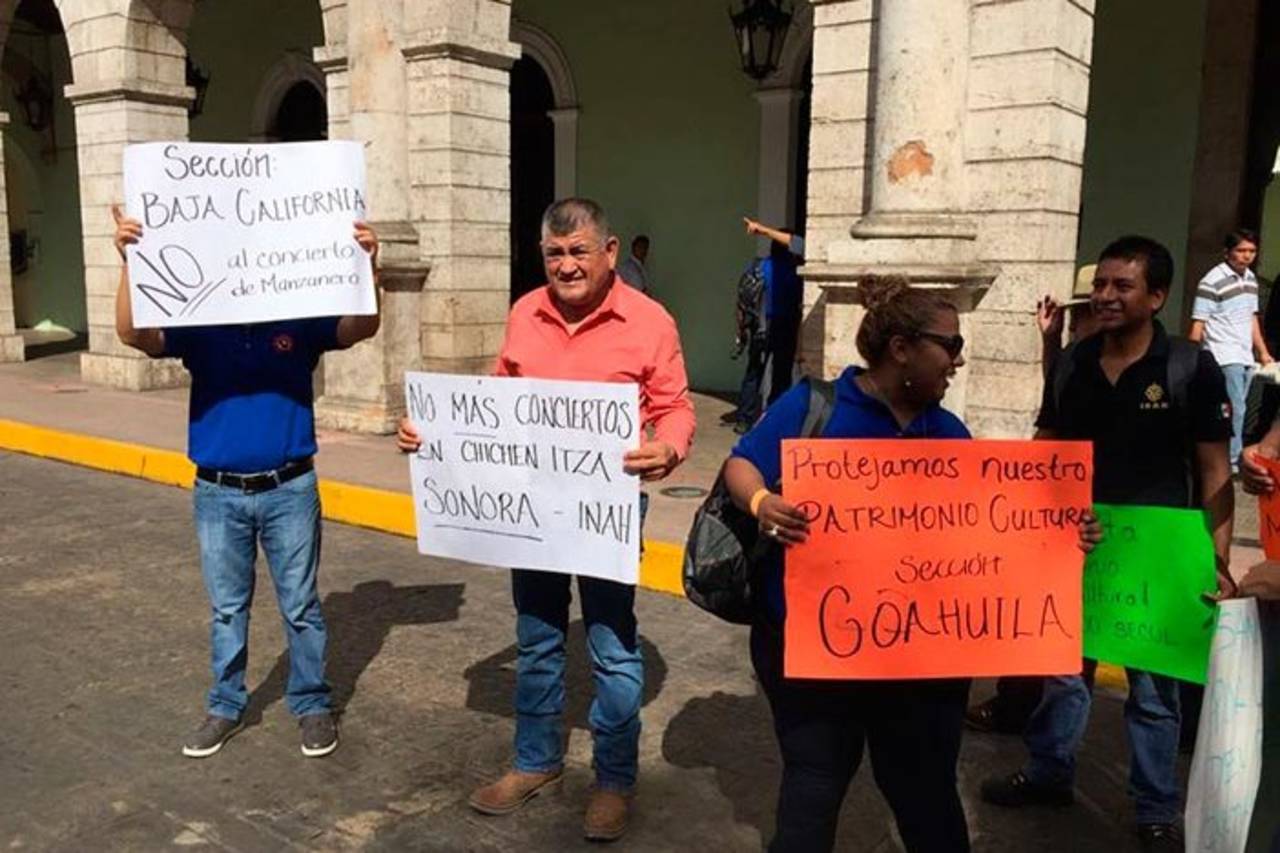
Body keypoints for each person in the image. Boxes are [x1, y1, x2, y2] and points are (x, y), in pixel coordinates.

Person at [722, 276, 1102, 852]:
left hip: (921, 662)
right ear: (901, 348)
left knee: (927, 795)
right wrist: (761, 503)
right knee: (814, 788)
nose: (958, 359)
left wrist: (1062, 532)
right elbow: (740, 464)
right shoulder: (815, 405)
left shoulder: (949, 433)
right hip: (813, 654)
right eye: (950, 345)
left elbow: (991, 535)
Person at [397, 198, 695, 842]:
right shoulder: (524, 313)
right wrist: (435, 433)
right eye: (554, 254)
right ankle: (535, 763)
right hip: (531, 509)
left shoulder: (650, 321)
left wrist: (669, 447)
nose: (566, 266)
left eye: (578, 251)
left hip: (604, 509)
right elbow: (495, 398)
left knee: (613, 648)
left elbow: (675, 407)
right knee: (536, 638)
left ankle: (614, 780)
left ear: (609, 252)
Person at [981, 236, 1235, 853]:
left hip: (1159, 558)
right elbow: (1048, 442)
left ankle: (1155, 808)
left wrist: (1217, 559)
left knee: (1153, 693)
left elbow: (1213, 469)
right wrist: (1008, 504)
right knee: (1064, 675)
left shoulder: (1189, 368)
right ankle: (1049, 773)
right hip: (1077, 545)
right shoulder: (1073, 362)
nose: (1106, 296)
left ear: (1157, 297)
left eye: (1123, 286)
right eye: (1100, 284)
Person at [111, 205, 382, 759]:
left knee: (300, 605)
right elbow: (135, 334)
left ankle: (311, 702)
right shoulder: (200, 320)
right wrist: (128, 261)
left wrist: (367, 266)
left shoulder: (298, 315)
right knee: (228, 609)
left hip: (290, 489)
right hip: (218, 493)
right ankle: (225, 704)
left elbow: (359, 327)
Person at [967, 264, 1101, 735]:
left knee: (1076, 631)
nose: (1082, 323)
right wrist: (1050, 343)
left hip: (1097, 515)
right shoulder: (1074, 362)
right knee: (1033, 613)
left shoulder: (1140, 368)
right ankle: (1017, 707)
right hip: (1054, 508)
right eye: (1079, 314)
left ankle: (1049, 730)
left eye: (1085, 314)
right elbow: (1055, 403)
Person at [1190, 228, 1273, 470]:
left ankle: (1226, 457)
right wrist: (1192, 357)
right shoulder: (1212, 280)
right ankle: (1232, 460)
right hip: (1223, 352)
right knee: (1235, 408)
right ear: (1227, 252)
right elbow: (1199, 322)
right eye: (1241, 250)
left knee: (1237, 408)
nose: (1247, 256)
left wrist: (1262, 352)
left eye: (1252, 251)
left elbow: (1251, 317)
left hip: (1244, 353)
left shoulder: (1250, 279)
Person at [735, 217, 805, 433]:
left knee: (754, 373)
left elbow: (742, 299)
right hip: (785, 325)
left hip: (759, 326)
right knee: (781, 375)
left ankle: (744, 419)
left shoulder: (757, 266)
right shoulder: (795, 271)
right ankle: (773, 419)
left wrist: (740, 329)